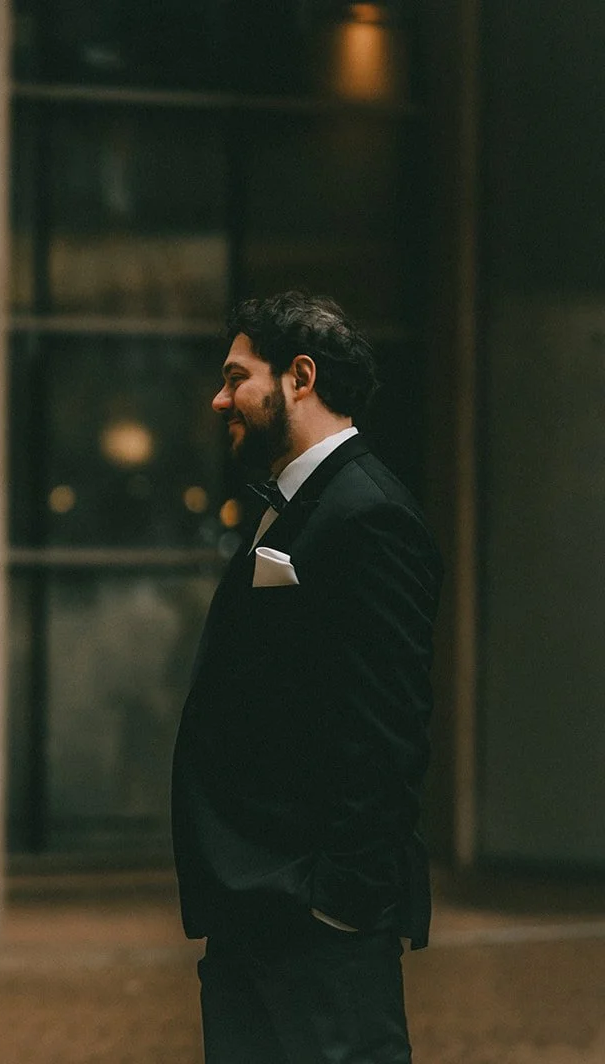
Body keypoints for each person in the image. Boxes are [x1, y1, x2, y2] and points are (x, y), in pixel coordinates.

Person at [171, 293, 442, 1063]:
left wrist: (339, 910)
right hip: (256, 914)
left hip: (315, 928)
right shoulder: (297, 505)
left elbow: (388, 729)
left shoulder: (370, 514)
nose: (220, 397)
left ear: (300, 376)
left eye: (235, 377)